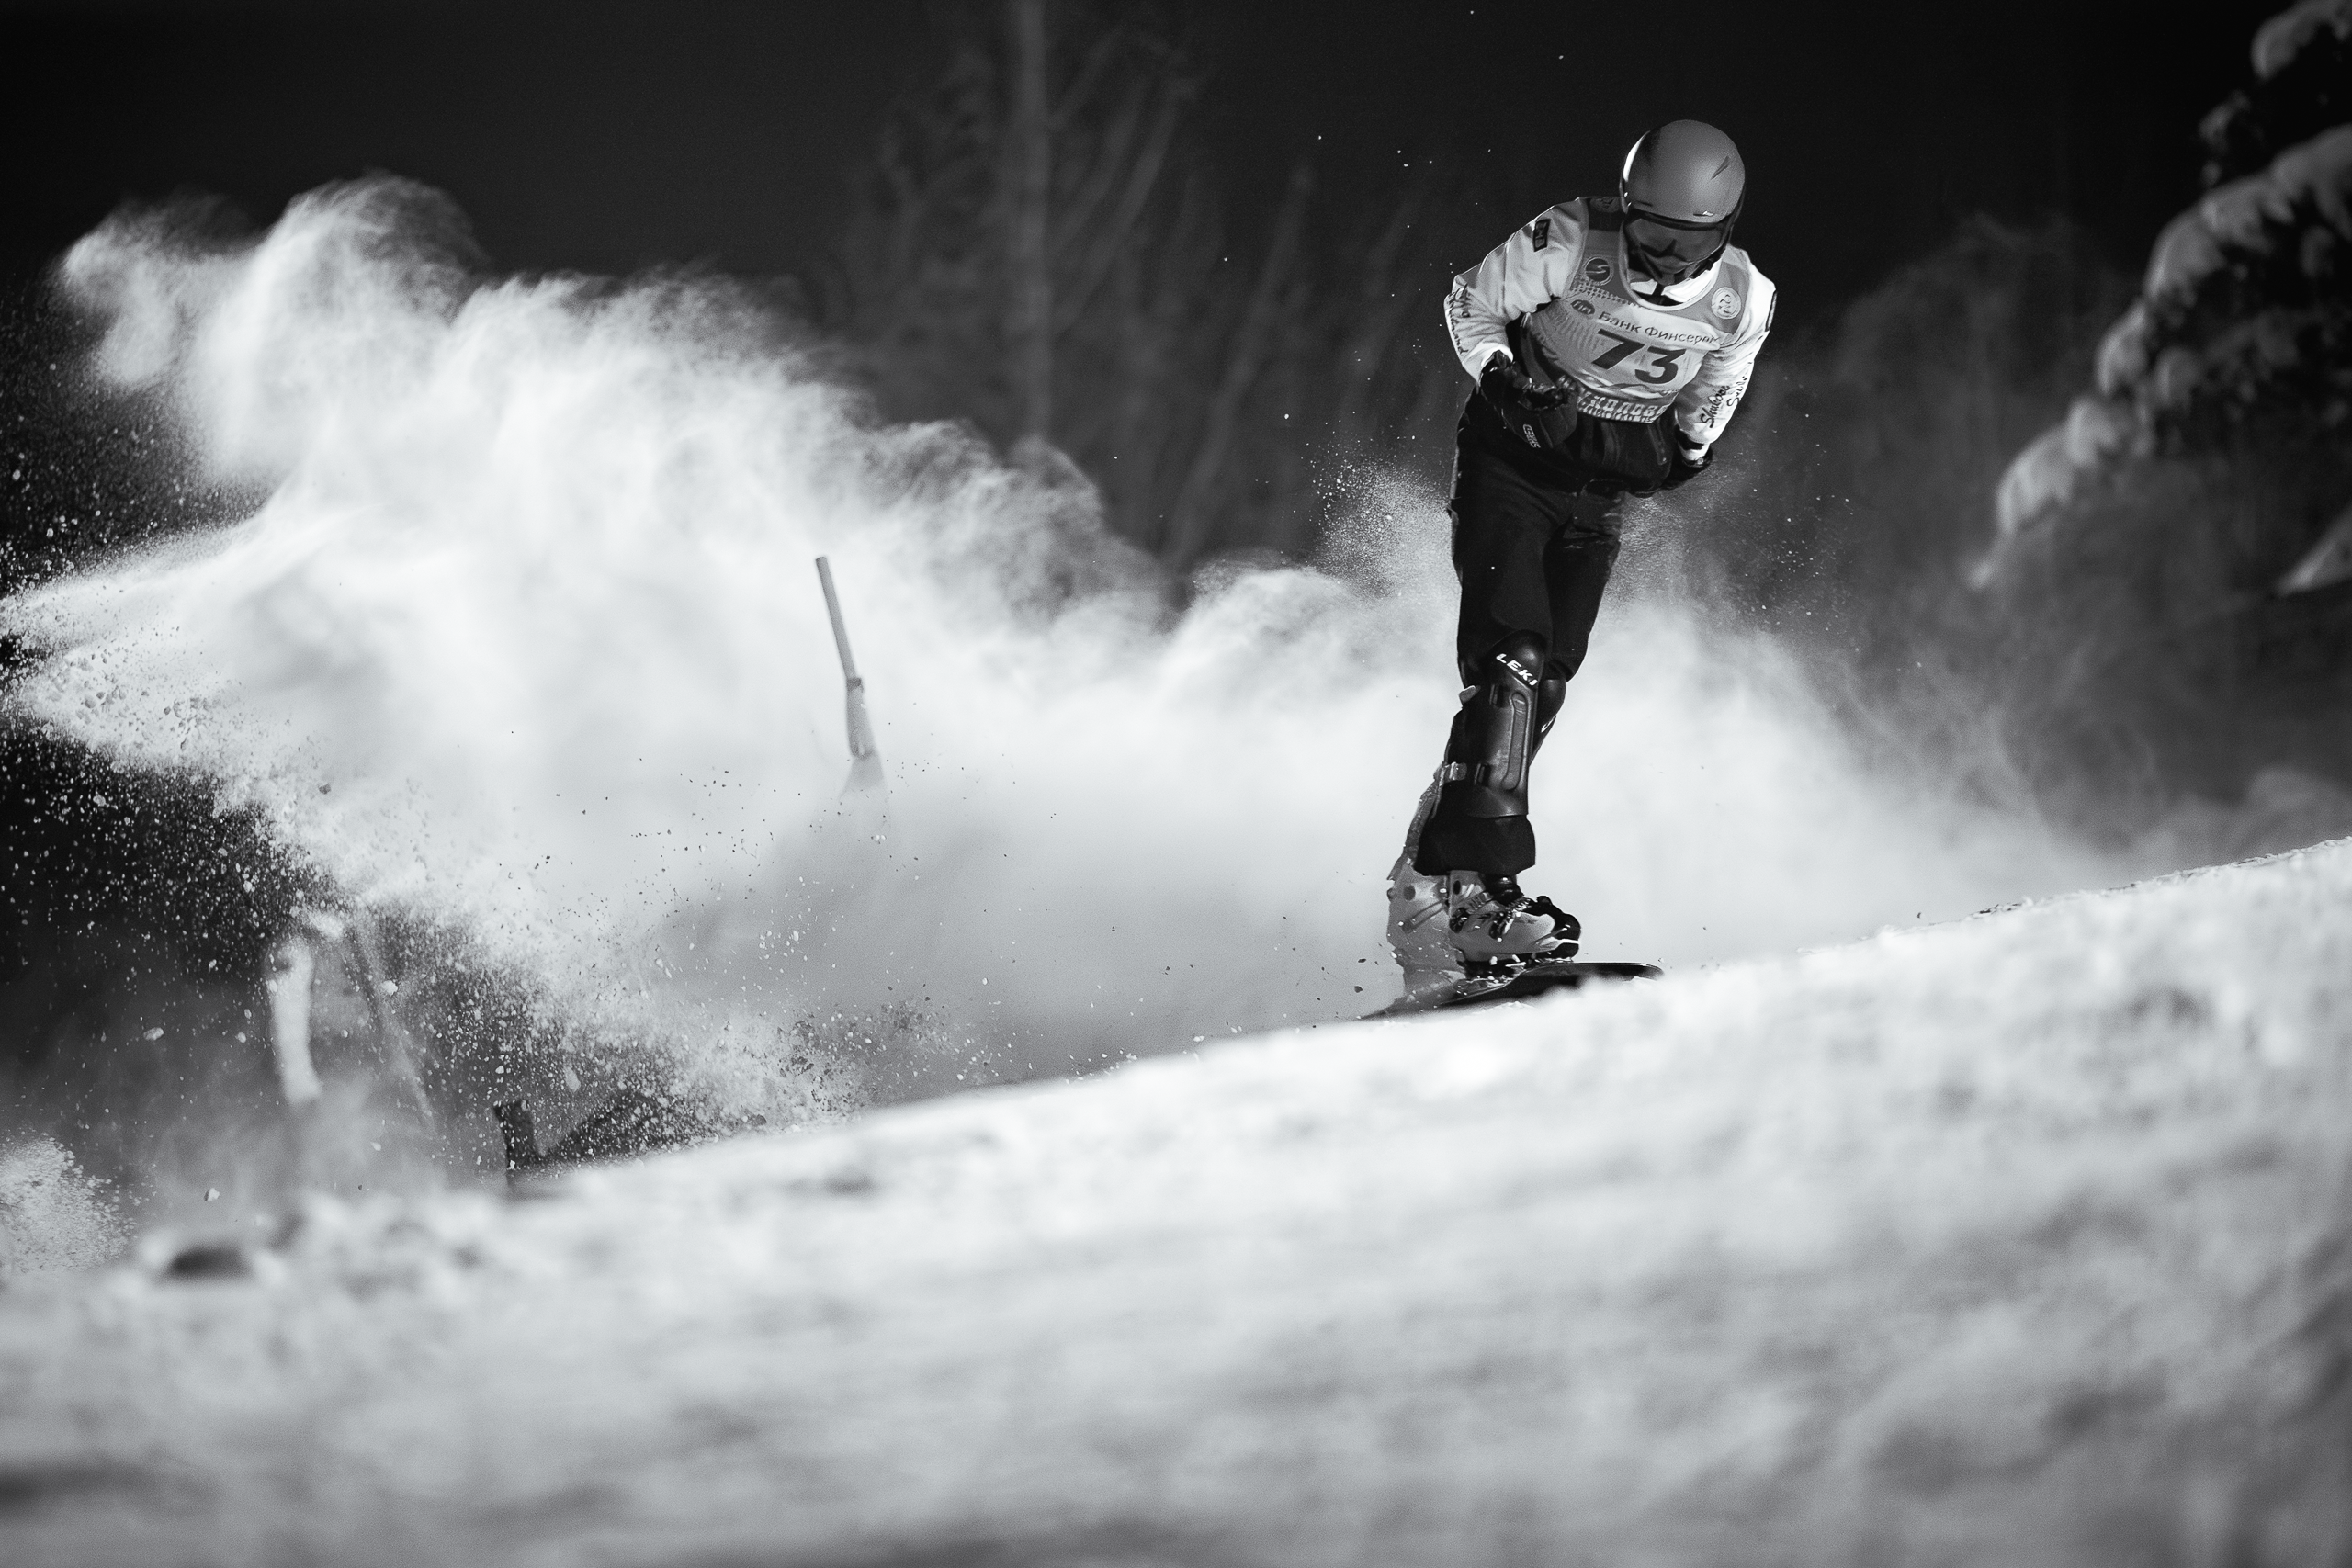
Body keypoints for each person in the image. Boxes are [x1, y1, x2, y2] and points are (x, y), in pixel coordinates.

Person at [1388, 119, 1776, 992]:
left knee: (1546, 678)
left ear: (1723, 232)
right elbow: (1470, 303)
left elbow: (1724, 377)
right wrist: (1501, 378)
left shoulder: (1744, 298)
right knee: (1511, 661)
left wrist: (1692, 445)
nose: (1662, 260)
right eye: (1650, 233)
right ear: (1626, 208)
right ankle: (1477, 889)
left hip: (1598, 493)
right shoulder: (1569, 239)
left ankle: (1430, 881)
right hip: (1512, 467)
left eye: (1687, 244)